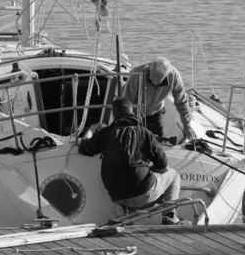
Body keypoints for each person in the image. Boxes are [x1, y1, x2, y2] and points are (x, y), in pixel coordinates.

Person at [78, 97, 183, 225]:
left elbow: (83, 148)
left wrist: (92, 129)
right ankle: (169, 216)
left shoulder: (105, 134)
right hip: (143, 192)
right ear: (132, 112)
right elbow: (163, 165)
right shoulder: (144, 133)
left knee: (126, 189)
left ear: (114, 115)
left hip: (116, 196)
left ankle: (123, 210)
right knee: (174, 175)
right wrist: (151, 171)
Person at [122, 57, 195, 142]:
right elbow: (126, 102)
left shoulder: (174, 77)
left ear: (166, 75)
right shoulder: (136, 74)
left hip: (156, 112)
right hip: (135, 114)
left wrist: (187, 126)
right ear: (150, 69)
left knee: (156, 143)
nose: (155, 82)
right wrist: (126, 124)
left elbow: (182, 102)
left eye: (159, 80)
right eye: (152, 79)